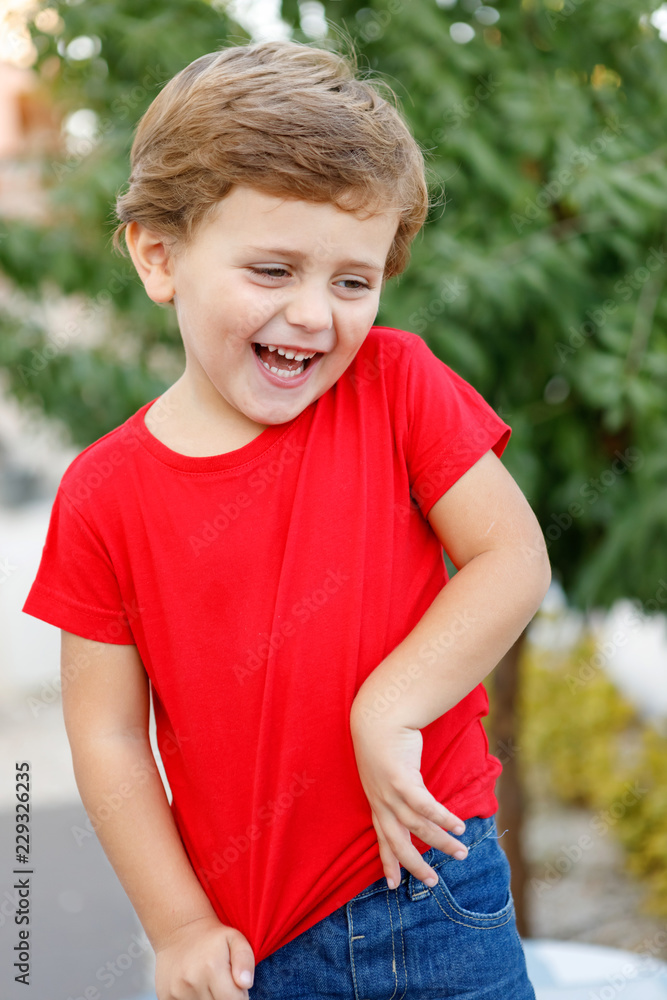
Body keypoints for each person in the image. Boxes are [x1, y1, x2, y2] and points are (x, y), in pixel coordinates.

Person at [23, 38, 550, 1000]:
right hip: (255, 948)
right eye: (272, 270)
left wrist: (386, 706)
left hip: (438, 890)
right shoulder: (103, 494)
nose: (315, 314)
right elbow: (104, 737)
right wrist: (176, 926)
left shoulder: (396, 387)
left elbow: (509, 556)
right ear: (158, 255)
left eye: (352, 280)